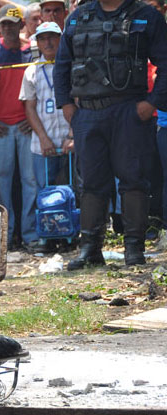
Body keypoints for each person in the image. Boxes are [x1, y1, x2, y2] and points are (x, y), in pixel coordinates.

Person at [54, 0, 167, 269]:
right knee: (91, 183)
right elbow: (62, 64)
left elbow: (165, 63)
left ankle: (133, 250)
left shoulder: (146, 16)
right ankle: (90, 249)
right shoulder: (78, 16)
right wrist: (67, 106)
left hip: (129, 112)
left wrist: (152, 103)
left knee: (133, 181)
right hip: (88, 114)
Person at [0, 5, 39, 252]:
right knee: (1, 182)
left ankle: (30, 234)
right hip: (0, 126)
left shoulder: (33, 50)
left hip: (26, 125)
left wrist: (35, 117)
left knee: (31, 180)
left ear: (21, 25)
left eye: (13, 23)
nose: (8, 28)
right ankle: (5, 237)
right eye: (4, 24)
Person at [19, 22, 73, 252]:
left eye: (53, 37)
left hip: (68, 140)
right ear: (37, 43)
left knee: (71, 190)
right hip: (43, 142)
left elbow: (78, 101)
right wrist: (42, 138)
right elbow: (29, 108)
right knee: (42, 191)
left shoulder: (71, 66)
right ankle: (41, 237)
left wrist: (72, 136)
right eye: (43, 39)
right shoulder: (31, 70)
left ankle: (71, 234)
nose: (48, 43)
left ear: (61, 40)